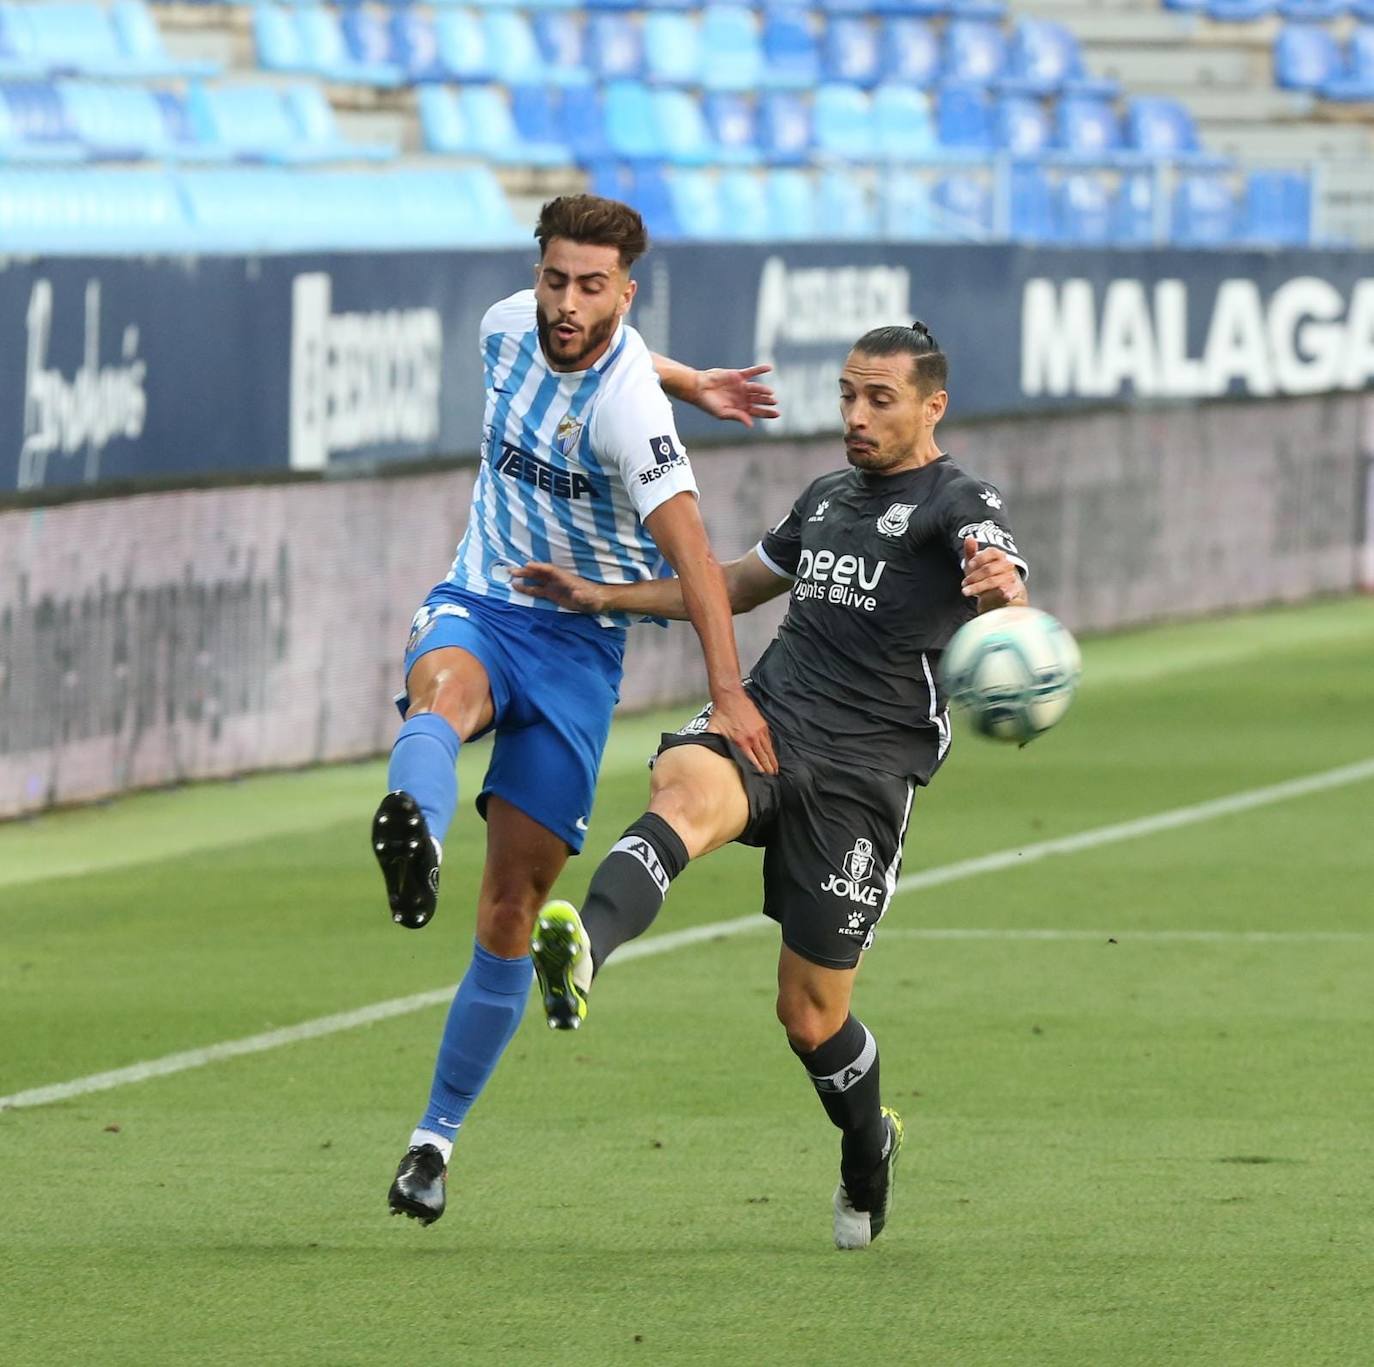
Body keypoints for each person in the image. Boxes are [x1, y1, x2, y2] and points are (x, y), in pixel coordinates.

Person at [515, 321, 1028, 1250]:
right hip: (771, 720)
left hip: (867, 772)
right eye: (846, 395)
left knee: (808, 1014)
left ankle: (869, 1146)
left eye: (879, 398)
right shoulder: (828, 496)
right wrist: (604, 594)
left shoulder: (959, 498)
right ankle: (583, 950)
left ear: (931, 405)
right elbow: (738, 585)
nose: (856, 416)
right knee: (684, 789)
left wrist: (1003, 594)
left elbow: (997, 578)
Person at [377, 194, 781, 1226]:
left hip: (575, 654)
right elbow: (620, 346)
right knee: (442, 694)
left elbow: (696, 559)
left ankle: (434, 1139)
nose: (566, 302)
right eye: (556, 277)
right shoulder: (503, 326)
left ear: (625, 292)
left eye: (590, 286)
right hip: (482, 597)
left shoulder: (629, 412)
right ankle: (412, 831)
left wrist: (728, 691)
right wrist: (699, 379)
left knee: (512, 907)